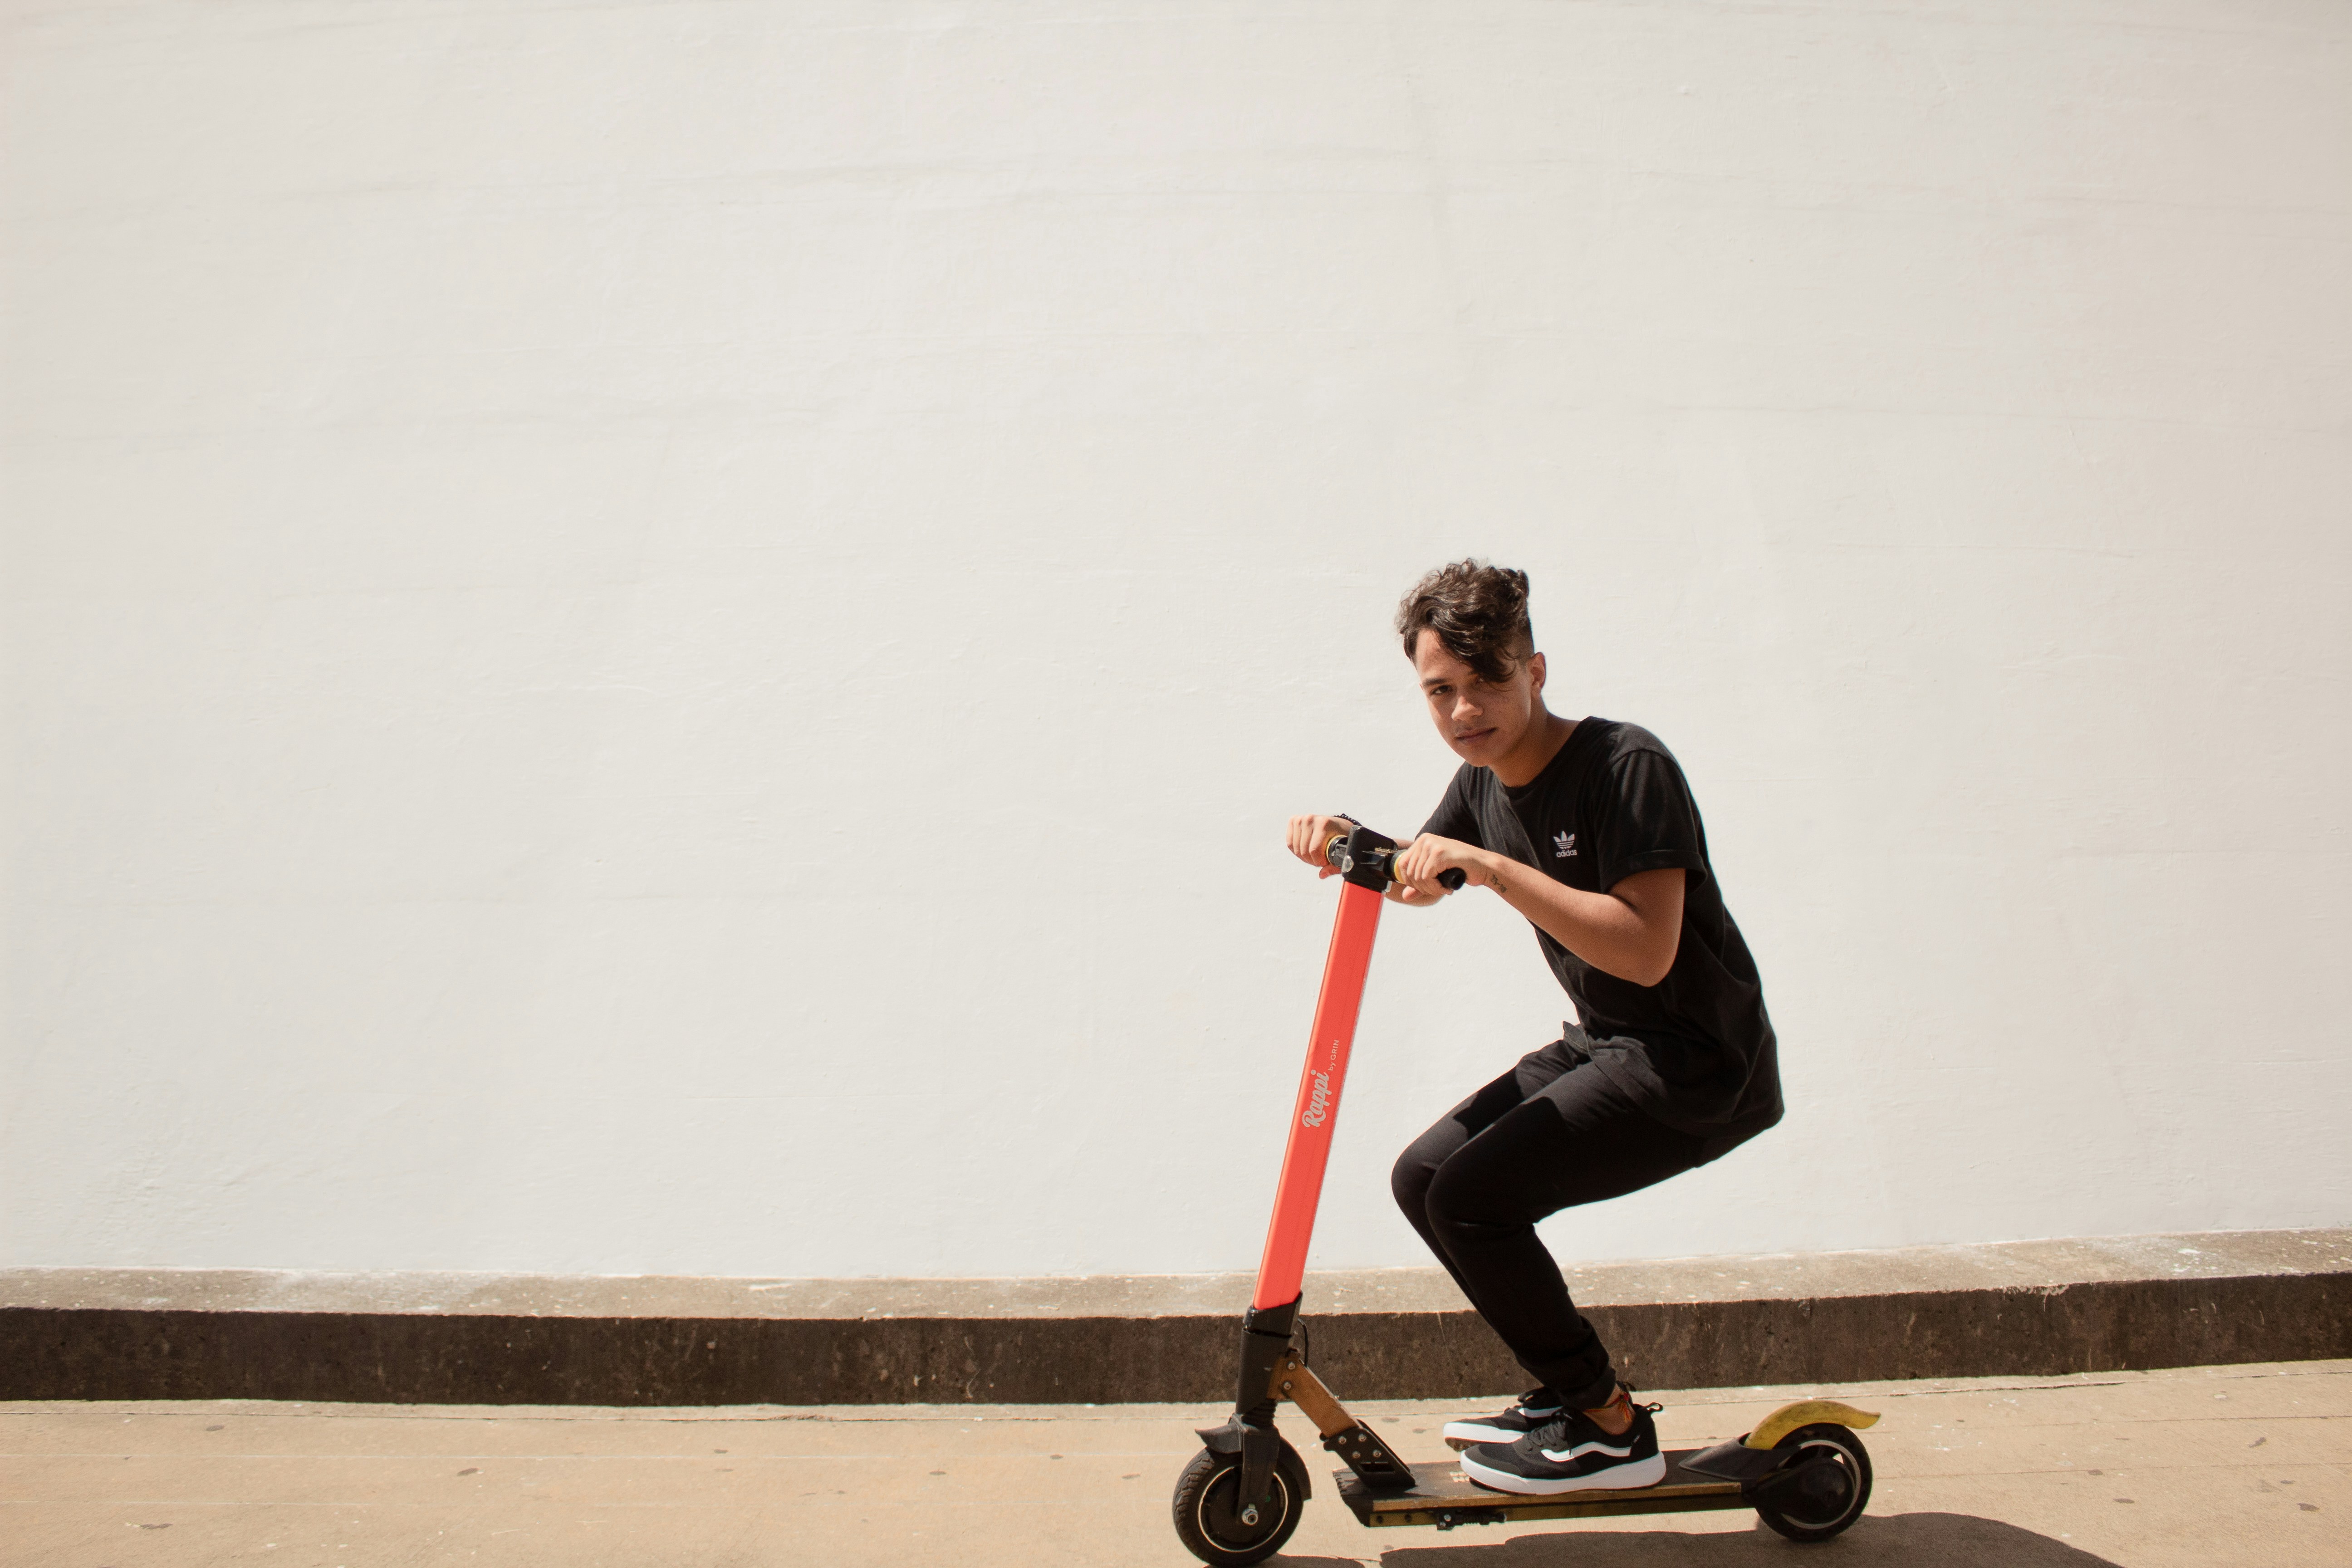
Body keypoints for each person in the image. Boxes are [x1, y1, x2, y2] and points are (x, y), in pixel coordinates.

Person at [1284, 559, 1783, 1497]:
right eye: (1441, 692)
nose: (1465, 711)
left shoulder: (1625, 766)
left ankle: (1606, 1423)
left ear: (1536, 671)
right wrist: (1346, 836)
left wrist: (1499, 871)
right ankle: (1567, 1392)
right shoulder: (1479, 784)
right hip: (1609, 1041)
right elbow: (1419, 876)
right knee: (1424, 1176)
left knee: (1475, 1196)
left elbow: (1645, 953)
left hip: (1696, 1064)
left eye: (1489, 682)